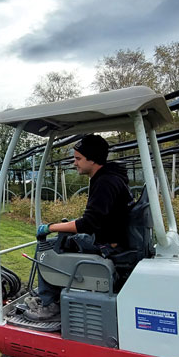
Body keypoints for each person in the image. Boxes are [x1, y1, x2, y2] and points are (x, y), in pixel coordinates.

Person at [25, 134, 132, 322]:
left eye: (78, 159)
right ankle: (53, 295)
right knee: (62, 239)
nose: (75, 163)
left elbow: (87, 224)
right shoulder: (110, 177)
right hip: (109, 237)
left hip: (106, 245)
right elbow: (98, 218)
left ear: (92, 159)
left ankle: (50, 305)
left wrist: (50, 227)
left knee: (45, 248)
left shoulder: (105, 182)